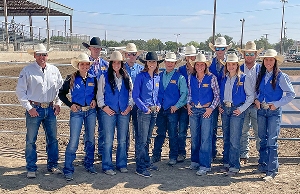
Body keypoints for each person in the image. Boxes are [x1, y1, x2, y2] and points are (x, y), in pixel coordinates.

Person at [16, 43, 63, 178]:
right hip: (34, 108)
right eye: (39, 54)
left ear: (47, 56)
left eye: (44, 54)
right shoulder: (27, 71)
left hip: (50, 108)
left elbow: (60, 89)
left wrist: (57, 103)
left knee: (53, 139)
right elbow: (20, 91)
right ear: (35, 56)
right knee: (31, 139)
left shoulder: (54, 70)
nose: (42, 57)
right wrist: (29, 108)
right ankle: (31, 168)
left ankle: (53, 165)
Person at [254, 49, 295, 181]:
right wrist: (257, 99)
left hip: (273, 111)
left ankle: (271, 169)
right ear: (263, 61)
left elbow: (291, 94)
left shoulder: (281, 76)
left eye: (271, 59)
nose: (268, 62)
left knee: (272, 139)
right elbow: (257, 91)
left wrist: (277, 104)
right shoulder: (261, 74)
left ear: (275, 61)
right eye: (266, 59)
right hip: (261, 110)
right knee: (262, 137)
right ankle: (264, 163)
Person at [58, 53, 97, 181]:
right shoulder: (71, 78)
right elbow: (61, 94)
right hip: (77, 112)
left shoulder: (93, 78)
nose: (85, 66)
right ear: (78, 65)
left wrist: (95, 100)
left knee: (90, 138)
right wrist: (70, 105)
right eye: (82, 64)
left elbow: (96, 94)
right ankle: (68, 169)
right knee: (74, 140)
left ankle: (89, 164)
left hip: (90, 111)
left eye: (87, 64)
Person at [97, 51, 133, 175]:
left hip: (123, 111)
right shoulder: (104, 76)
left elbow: (131, 94)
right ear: (111, 63)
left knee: (122, 139)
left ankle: (121, 164)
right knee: (108, 139)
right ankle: (107, 166)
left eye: (119, 62)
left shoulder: (126, 76)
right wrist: (104, 107)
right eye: (114, 62)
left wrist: (129, 106)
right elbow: (100, 95)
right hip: (109, 112)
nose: (116, 64)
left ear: (122, 63)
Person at [218, 53, 254, 176]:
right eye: (229, 64)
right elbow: (219, 94)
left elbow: (251, 96)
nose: (231, 66)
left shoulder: (244, 78)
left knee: (234, 138)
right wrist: (219, 106)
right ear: (226, 65)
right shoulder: (224, 78)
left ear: (237, 65)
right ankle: (227, 163)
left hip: (236, 109)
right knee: (226, 137)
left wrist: (242, 109)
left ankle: (234, 165)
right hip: (225, 109)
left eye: (233, 64)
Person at [151, 52, 188, 166]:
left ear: (175, 63)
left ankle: (173, 156)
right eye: (168, 62)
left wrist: (176, 106)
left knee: (173, 134)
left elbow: (184, 94)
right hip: (161, 109)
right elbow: (156, 92)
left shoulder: (180, 78)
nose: (170, 64)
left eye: (172, 62)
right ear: (165, 63)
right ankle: (156, 155)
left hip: (173, 110)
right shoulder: (159, 76)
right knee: (160, 132)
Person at [187, 53, 220, 175]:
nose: (200, 66)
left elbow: (217, 96)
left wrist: (211, 108)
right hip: (194, 109)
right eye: (197, 64)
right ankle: (195, 161)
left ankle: (205, 165)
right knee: (195, 137)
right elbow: (189, 93)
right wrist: (189, 104)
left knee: (205, 138)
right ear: (195, 66)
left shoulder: (211, 78)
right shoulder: (191, 78)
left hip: (206, 111)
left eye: (202, 64)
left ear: (205, 66)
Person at [132, 51, 163, 177]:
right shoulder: (141, 76)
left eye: (154, 61)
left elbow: (159, 94)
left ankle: (145, 161)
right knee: (142, 139)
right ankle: (140, 167)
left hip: (154, 111)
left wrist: (159, 105)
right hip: (144, 112)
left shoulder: (157, 77)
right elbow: (135, 96)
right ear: (146, 63)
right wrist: (144, 108)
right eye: (150, 61)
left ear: (157, 64)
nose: (152, 63)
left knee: (147, 139)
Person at [83, 37, 108, 160]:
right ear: (90, 48)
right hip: (90, 101)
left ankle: (101, 151)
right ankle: (88, 152)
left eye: (98, 48)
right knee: (89, 128)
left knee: (103, 127)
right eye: (94, 48)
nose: (96, 50)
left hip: (102, 100)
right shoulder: (84, 63)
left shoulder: (105, 64)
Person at [237, 41, 263, 163]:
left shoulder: (261, 69)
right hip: (243, 104)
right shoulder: (239, 68)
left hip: (257, 105)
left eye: (252, 54)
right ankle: (243, 154)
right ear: (244, 55)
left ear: (256, 55)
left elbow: (264, 87)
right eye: (247, 53)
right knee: (243, 130)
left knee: (259, 132)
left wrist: (259, 99)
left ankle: (261, 155)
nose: (249, 56)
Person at [208, 37, 232, 160]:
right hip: (212, 101)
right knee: (211, 128)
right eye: (218, 48)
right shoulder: (209, 64)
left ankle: (226, 155)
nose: (220, 50)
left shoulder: (231, 64)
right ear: (215, 50)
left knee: (227, 129)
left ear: (225, 49)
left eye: (222, 48)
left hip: (226, 100)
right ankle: (212, 152)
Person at [176, 45, 197, 162]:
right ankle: (181, 152)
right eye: (188, 56)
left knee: (196, 131)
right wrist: (182, 102)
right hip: (184, 105)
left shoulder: (200, 69)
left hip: (197, 104)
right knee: (182, 130)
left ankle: (196, 154)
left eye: (192, 56)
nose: (190, 58)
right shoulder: (181, 70)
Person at [122, 43, 144, 153]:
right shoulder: (120, 69)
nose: (131, 56)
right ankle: (124, 153)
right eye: (129, 54)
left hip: (138, 104)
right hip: (124, 103)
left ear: (136, 56)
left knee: (138, 129)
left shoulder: (141, 69)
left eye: (133, 54)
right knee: (124, 130)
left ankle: (138, 154)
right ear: (126, 55)